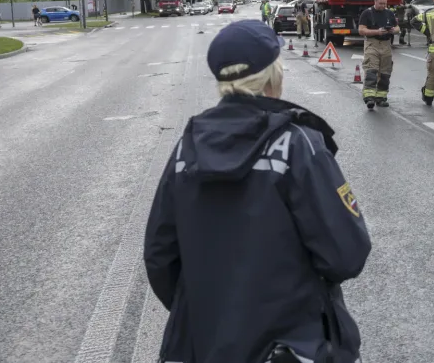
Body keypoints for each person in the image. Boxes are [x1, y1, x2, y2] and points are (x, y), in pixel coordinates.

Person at [143, 19, 372, 363]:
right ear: (273, 75)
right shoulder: (298, 145)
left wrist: (214, 313)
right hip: (292, 347)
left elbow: (160, 257)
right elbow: (347, 253)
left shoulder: (186, 150)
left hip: (205, 346)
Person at [357, 0, 399, 109]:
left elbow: (397, 28)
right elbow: (361, 30)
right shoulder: (367, 13)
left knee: (385, 73)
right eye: (380, 3)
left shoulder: (389, 13)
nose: (382, 6)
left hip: (386, 45)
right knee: (372, 70)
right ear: (375, 1)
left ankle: (381, 97)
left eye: (384, 4)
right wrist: (377, 32)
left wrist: (392, 30)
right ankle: (369, 97)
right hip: (372, 44)